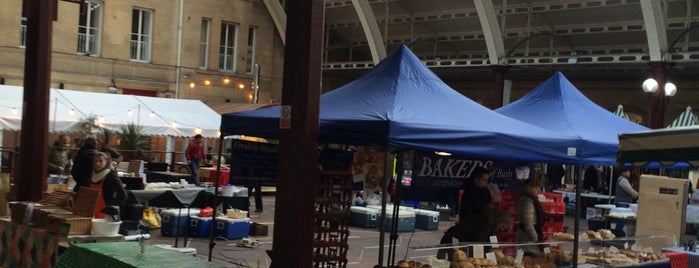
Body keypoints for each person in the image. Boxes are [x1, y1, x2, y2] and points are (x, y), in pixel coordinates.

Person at [438, 167, 493, 247]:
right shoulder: (468, 191)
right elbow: (465, 211)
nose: (486, 182)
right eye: (484, 180)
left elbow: (488, 208)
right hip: (468, 227)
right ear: (476, 179)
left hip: (481, 227)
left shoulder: (486, 192)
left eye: (487, 180)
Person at [90, 152, 127, 219]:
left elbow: (123, 194)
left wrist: (110, 207)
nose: (97, 163)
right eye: (95, 161)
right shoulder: (93, 175)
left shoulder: (111, 175)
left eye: (100, 161)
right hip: (92, 210)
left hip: (106, 213)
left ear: (106, 162)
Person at [515, 178, 544, 256]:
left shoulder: (532, 200)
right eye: (536, 188)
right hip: (527, 240)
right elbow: (528, 224)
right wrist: (535, 239)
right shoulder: (528, 203)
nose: (538, 190)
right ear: (529, 189)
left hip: (527, 239)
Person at [614, 167, 638, 234]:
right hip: (622, 203)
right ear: (624, 172)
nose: (629, 173)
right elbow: (630, 191)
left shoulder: (622, 179)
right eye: (628, 171)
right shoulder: (623, 180)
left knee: (620, 221)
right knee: (621, 222)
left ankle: (617, 235)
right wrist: (637, 195)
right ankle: (617, 236)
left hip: (622, 203)